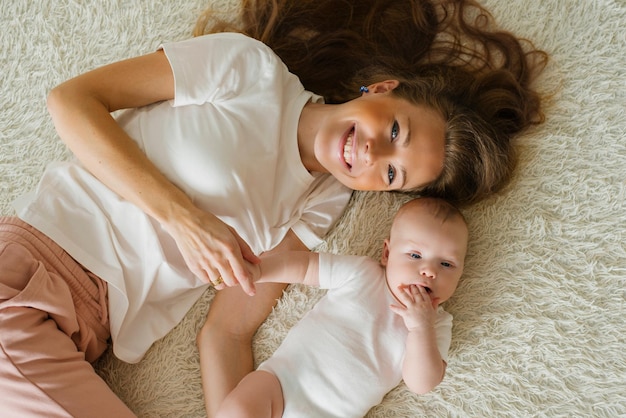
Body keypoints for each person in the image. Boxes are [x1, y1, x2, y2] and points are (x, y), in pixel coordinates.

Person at [0, 0, 546, 416]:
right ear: (382, 88)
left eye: (393, 173)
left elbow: (227, 333)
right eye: (396, 129)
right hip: (30, 272)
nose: (373, 153)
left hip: (85, 341)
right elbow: (71, 101)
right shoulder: (248, 69)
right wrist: (182, 219)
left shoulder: (321, 204)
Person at [215, 197, 468, 418]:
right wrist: (261, 270)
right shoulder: (363, 274)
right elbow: (305, 267)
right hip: (281, 382)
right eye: (415, 255)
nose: (429, 271)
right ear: (387, 254)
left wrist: (421, 328)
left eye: (446, 264)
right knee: (236, 411)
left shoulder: (437, 324)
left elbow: (421, 383)